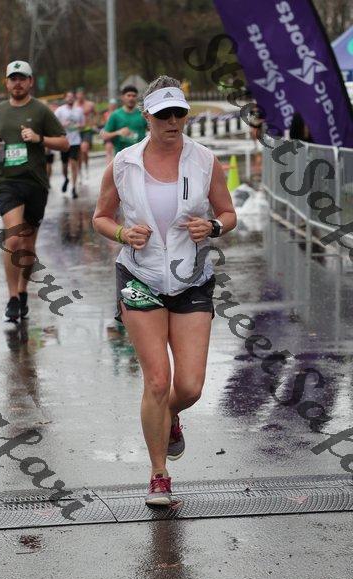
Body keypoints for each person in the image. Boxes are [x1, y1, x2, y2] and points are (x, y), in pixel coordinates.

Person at [93, 75, 237, 506]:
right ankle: (159, 474)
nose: (172, 122)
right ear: (146, 116)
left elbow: (228, 213)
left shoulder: (205, 160)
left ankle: (170, 414)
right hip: (140, 276)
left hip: (191, 278)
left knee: (188, 387)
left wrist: (212, 226)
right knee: (157, 380)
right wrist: (122, 233)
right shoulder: (123, 164)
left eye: (179, 113)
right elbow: (100, 217)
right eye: (163, 115)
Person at [0, 60, 69, 323]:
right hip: (7, 182)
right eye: (13, 79)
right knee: (13, 239)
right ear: (6, 83)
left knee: (28, 246)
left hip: (35, 184)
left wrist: (39, 139)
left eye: (22, 78)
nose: (18, 83)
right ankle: (11, 298)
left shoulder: (41, 110)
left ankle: (22, 291)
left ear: (30, 82)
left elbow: (64, 143)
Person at [100, 85, 147, 155]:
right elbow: (104, 136)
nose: (131, 98)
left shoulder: (142, 114)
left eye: (134, 96)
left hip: (140, 155)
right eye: (128, 95)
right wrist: (118, 132)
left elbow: (153, 130)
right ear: (122, 97)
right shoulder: (115, 115)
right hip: (122, 156)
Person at [55, 91, 85, 198]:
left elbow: (83, 124)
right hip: (64, 141)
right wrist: (63, 125)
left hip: (75, 141)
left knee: (73, 164)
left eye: (72, 97)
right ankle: (66, 179)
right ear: (65, 98)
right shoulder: (60, 110)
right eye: (68, 97)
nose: (70, 98)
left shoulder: (79, 110)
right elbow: (54, 124)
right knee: (64, 166)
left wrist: (79, 126)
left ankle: (74, 188)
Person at [75, 87, 96, 180]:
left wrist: (94, 123)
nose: (80, 96)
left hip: (87, 129)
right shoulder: (74, 105)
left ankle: (86, 167)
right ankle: (80, 172)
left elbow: (96, 114)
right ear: (76, 95)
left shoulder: (90, 104)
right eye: (78, 94)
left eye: (81, 94)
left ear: (84, 95)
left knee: (84, 150)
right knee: (79, 153)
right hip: (77, 131)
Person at [101, 98, 117, 164]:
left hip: (116, 134)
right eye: (111, 105)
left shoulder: (118, 113)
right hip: (108, 134)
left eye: (113, 105)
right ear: (109, 105)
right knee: (108, 151)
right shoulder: (106, 114)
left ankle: (116, 164)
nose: (112, 106)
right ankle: (109, 165)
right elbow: (103, 123)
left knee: (117, 151)